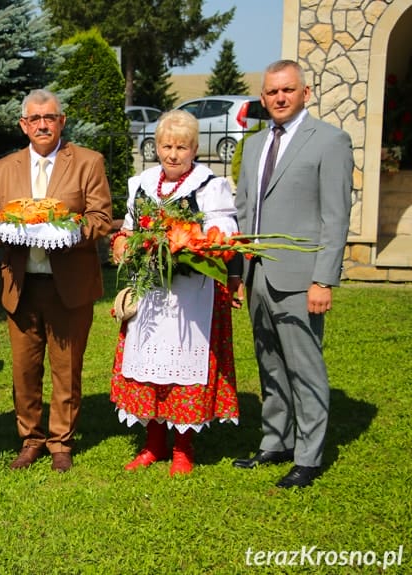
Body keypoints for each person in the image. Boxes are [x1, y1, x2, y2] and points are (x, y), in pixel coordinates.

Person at [232, 60, 353, 488]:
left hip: (301, 277)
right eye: (271, 92)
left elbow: (336, 216)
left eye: (287, 90)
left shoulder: (331, 141)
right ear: (262, 97)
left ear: (305, 92)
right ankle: (275, 441)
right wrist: (236, 273)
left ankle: (308, 455)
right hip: (257, 273)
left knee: (304, 366)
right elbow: (245, 210)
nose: (279, 98)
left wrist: (324, 279)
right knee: (269, 362)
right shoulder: (255, 143)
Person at [0, 89, 113, 473]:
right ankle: (30, 439)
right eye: (35, 119)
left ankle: (61, 442)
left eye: (50, 117)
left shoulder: (88, 163)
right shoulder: (2, 169)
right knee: (24, 369)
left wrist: (69, 231)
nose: (43, 124)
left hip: (69, 284)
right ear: (24, 124)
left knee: (66, 368)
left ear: (62, 121)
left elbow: (101, 218)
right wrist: (8, 230)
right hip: (21, 286)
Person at [109, 110, 240, 476]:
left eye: (181, 147)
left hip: (191, 295)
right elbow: (130, 228)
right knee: (152, 365)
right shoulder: (144, 183)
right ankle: (154, 445)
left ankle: (183, 448)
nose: (173, 154)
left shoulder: (209, 186)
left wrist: (193, 244)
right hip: (152, 292)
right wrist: (123, 243)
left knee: (184, 367)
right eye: (167, 145)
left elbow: (223, 234)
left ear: (194, 149)